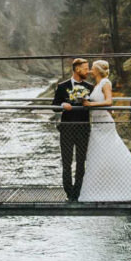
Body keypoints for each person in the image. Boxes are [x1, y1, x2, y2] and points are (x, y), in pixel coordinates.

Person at [77, 60, 131, 202]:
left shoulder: (106, 83)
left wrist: (90, 104)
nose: (90, 71)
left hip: (105, 125)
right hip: (96, 124)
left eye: (92, 69)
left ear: (98, 70)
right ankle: (102, 189)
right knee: (98, 157)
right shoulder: (97, 84)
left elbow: (109, 102)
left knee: (113, 154)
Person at [51, 58, 94, 201]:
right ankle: (69, 192)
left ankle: (78, 192)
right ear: (77, 69)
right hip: (67, 128)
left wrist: (89, 103)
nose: (88, 71)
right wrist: (63, 104)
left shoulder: (90, 87)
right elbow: (54, 106)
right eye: (85, 68)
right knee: (67, 162)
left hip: (83, 128)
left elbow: (96, 105)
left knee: (81, 162)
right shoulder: (62, 86)